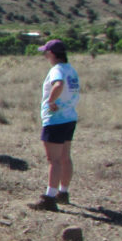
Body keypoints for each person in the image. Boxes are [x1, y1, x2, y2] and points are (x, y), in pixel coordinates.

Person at [28, 39, 80, 212]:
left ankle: (49, 198)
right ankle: (63, 192)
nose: (44, 55)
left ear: (52, 53)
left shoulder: (56, 70)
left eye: (45, 52)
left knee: (54, 160)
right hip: (69, 117)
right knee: (66, 157)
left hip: (55, 119)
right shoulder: (70, 69)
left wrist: (50, 101)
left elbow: (58, 84)